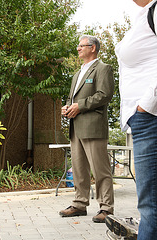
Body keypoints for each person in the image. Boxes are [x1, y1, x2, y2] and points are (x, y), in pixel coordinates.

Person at [105, 0, 157, 239]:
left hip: (150, 117)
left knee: (150, 205)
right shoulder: (143, 14)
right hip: (143, 119)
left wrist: (146, 104)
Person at [59, 35, 114, 223]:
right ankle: (79, 204)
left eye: (81, 46)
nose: (78, 49)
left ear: (93, 48)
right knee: (79, 169)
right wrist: (67, 107)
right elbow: (71, 98)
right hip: (76, 127)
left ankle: (106, 208)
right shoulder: (77, 73)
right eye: (78, 46)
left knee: (100, 170)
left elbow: (104, 95)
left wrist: (79, 106)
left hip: (93, 127)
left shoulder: (103, 68)